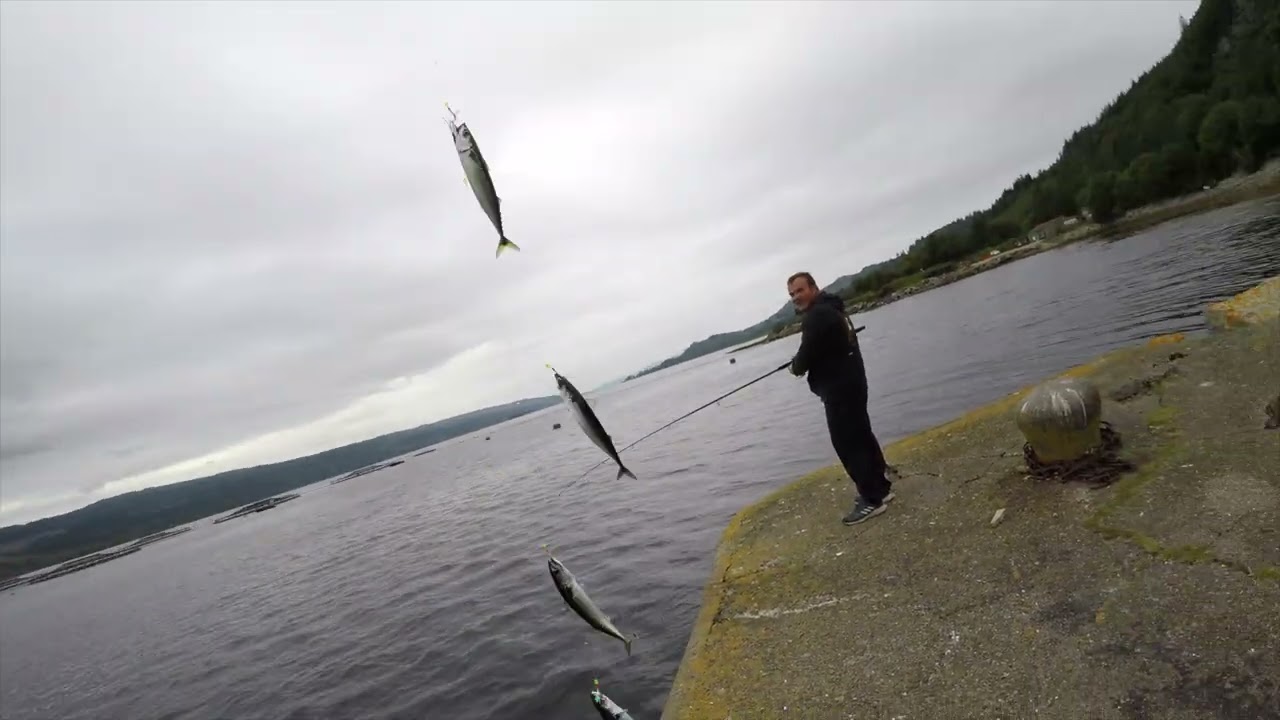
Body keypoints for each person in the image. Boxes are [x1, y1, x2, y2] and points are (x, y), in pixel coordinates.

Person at [786, 271, 894, 525]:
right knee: (862, 435)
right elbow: (823, 347)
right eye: (791, 294)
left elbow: (804, 357)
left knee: (847, 443)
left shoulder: (817, 316)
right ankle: (881, 487)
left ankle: (871, 499)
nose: (795, 297)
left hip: (839, 388)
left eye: (799, 291)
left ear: (813, 287)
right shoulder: (832, 307)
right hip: (853, 382)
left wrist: (794, 368)